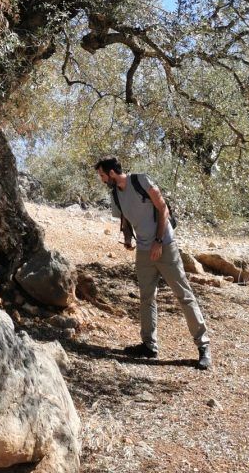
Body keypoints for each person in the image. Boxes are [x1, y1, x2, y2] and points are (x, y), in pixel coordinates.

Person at [94, 157, 212, 370]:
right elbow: (124, 219)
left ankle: (203, 346)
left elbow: (163, 208)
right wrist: (128, 237)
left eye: (102, 175)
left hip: (164, 246)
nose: (102, 180)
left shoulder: (141, 181)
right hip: (144, 251)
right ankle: (149, 345)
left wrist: (158, 241)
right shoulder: (114, 195)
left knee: (183, 295)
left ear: (111, 173)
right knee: (146, 297)